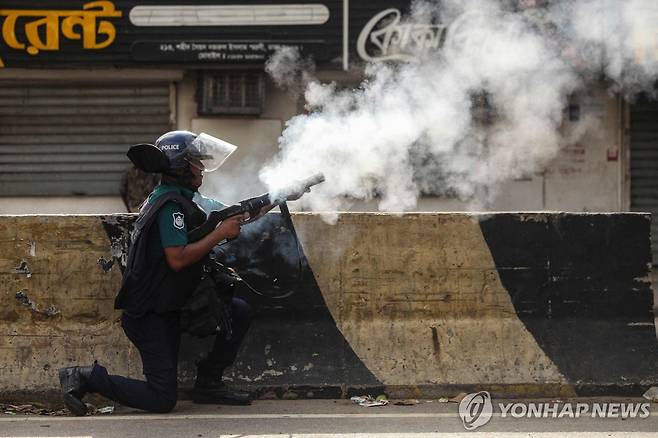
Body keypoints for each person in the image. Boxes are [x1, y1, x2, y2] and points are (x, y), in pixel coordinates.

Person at [59, 130, 272, 415]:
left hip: (173, 302)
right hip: (150, 314)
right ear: (181, 167)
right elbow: (177, 258)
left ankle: (208, 384)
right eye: (197, 163)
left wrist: (280, 195)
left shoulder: (184, 198)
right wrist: (220, 233)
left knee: (238, 310)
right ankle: (85, 377)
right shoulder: (169, 207)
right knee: (162, 398)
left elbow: (235, 213)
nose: (202, 169)